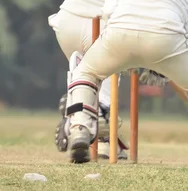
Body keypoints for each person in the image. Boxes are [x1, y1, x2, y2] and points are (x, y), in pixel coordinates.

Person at [64, 0, 188, 168]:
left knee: (85, 73)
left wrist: (121, 54)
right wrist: (163, 65)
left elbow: (108, 10)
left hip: (120, 30)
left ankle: (80, 127)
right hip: (167, 34)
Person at [48, 0, 128, 160]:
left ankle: (76, 117)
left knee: (81, 77)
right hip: (106, 22)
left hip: (68, 20)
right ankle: (101, 135)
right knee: (103, 88)